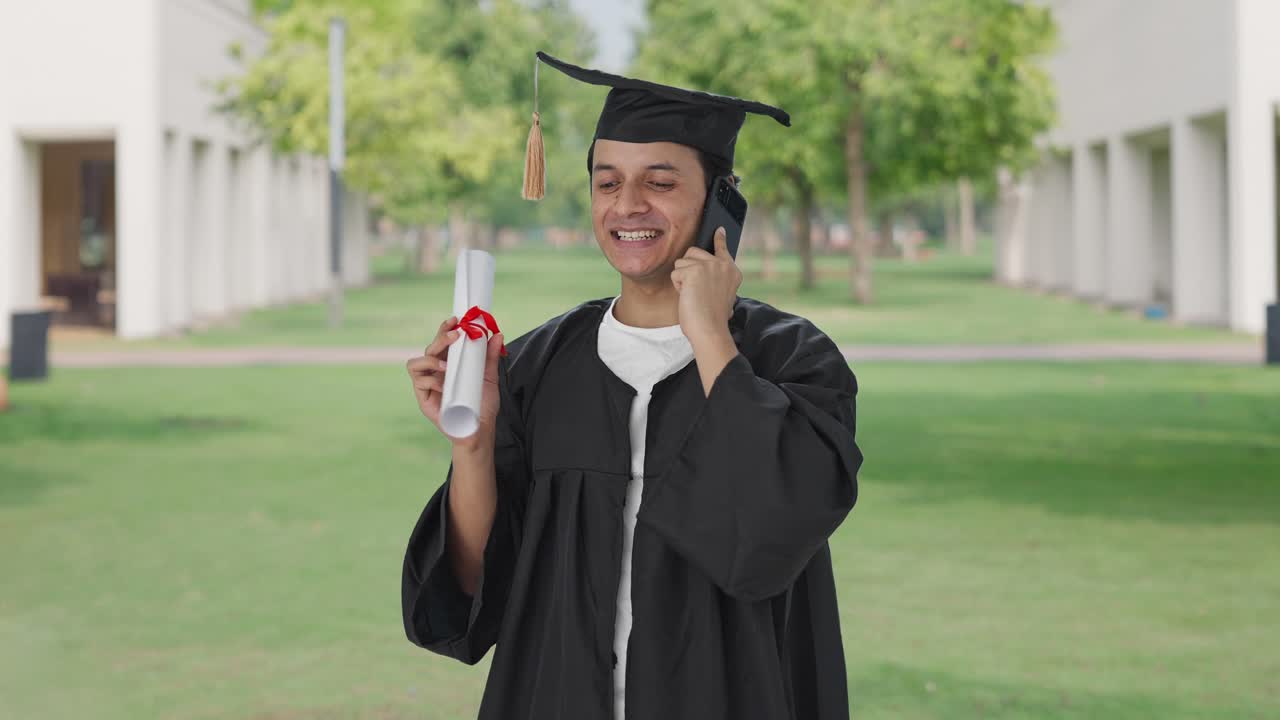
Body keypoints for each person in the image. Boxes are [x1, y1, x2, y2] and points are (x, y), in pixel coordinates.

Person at [402, 51, 863, 720]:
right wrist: (472, 441)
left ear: (721, 198)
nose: (628, 206)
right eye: (607, 181)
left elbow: (770, 531)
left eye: (661, 182)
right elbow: (474, 587)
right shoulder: (537, 365)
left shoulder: (794, 361)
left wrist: (710, 334)